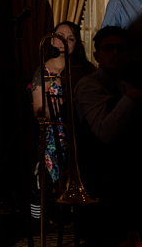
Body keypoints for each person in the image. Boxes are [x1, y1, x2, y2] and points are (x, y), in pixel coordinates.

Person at [73, 27, 142, 246]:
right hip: (97, 176)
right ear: (97, 55)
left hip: (121, 173)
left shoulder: (125, 85)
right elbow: (104, 133)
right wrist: (130, 98)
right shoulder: (88, 85)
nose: (115, 53)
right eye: (108, 48)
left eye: (120, 48)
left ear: (127, 56)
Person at [28, 21, 92, 185]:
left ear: (76, 44)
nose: (64, 42)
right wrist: (64, 95)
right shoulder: (43, 71)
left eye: (70, 38)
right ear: (51, 40)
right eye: (60, 37)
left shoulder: (86, 69)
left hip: (83, 135)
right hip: (57, 138)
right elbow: (39, 113)